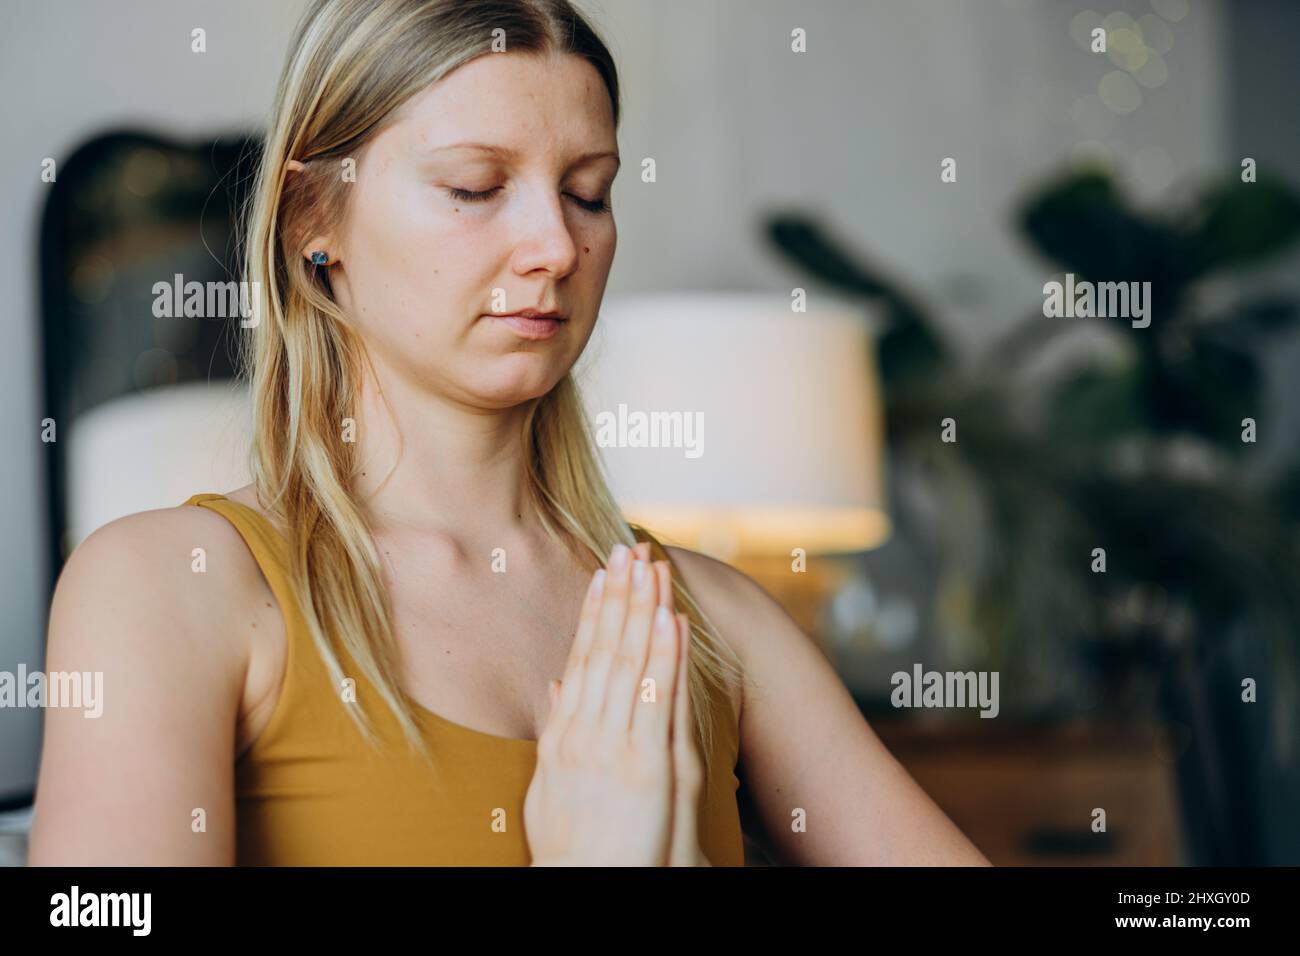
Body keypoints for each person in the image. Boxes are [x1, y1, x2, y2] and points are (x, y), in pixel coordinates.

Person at [28, 0, 990, 867]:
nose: (557, 247)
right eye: (476, 187)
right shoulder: (167, 590)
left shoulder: (717, 623)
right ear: (312, 219)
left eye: (588, 192)